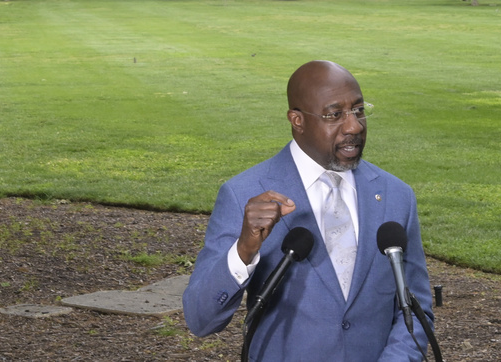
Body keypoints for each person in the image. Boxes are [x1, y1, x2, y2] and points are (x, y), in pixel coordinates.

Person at [183, 61, 434, 361]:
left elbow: (416, 312)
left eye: (358, 110)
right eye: (334, 114)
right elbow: (200, 319)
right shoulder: (242, 195)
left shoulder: (397, 196)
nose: (354, 126)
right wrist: (243, 251)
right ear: (297, 120)